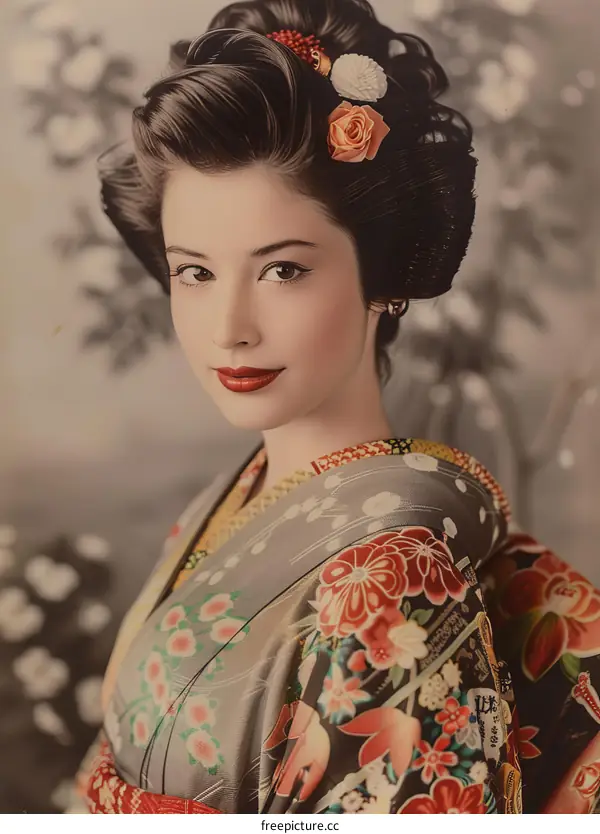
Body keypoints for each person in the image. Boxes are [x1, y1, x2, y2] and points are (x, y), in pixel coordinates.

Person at [76, 0, 600, 815]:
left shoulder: (395, 576)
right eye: (195, 272)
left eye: (283, 270)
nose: (229, 328)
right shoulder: (235, 497)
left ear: (384, 277)